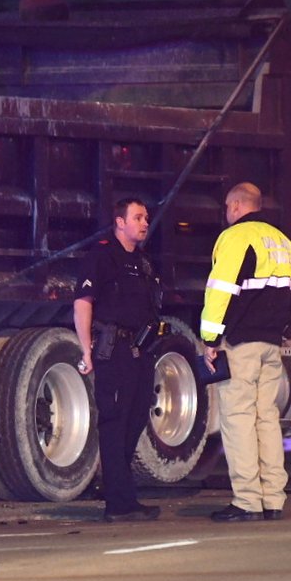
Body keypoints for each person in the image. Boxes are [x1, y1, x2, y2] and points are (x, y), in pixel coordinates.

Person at [201, 182, 291, 521]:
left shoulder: (235, 239)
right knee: (267, 419)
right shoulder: (286, 244)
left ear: (236, 206)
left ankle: (246, 501)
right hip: (272, 343)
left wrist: (210, 339)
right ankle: (274, 500)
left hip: (241, 344)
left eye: (228, 207)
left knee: (239, 419)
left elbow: (220, 292)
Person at [74, 198, 163, 521]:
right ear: (119, 222)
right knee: (114, 421)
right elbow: (83, 303)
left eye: (146, 217)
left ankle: (122, 493)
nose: (144, 223)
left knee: (137, 417)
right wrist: (86, 349)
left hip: (141, 350)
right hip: (114, 348)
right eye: (138, 217)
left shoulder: (143, 262)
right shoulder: (102, 256)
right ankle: (118, 504)